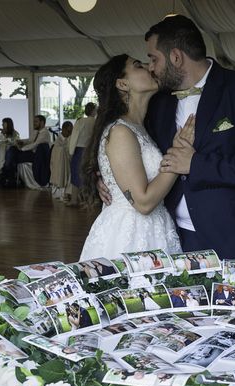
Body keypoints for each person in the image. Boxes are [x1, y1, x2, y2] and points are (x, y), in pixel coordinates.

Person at [98, 15, 235, 260]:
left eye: (153, 59)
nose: (151, 67)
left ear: (176, 57)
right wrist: (105, 176)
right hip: (176, 237)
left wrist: (195, 164)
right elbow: (129, 146)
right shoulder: (158, 101)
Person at [78, 55, 187, 260]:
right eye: (138, 66)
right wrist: (179, 154)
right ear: (122, 83)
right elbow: (143, 203)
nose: (148, 67)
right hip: (129, 235)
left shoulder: (141, 126)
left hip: (158, 227)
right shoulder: (120, 131)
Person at [1, 115, 51, 187]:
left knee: (12, 154)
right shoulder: (36, 132)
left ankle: (6, 175)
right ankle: (10, 178)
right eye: (34, 121)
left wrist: (21, 149)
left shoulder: (45, 133)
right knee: (12, 151)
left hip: (36, 155)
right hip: (31, 152)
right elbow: (30, 140)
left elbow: (34, 144)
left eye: (36, 122)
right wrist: (22, 142)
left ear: (42, 122)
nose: (34, 123)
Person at [67, 102, 96, 206]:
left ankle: (74, 200)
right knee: (89, 175)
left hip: (79, 150)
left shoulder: (81, 121)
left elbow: (74, 137)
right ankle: (89, 200)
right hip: (91, 150)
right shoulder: (96, 122)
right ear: (93, 111)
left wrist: (71, 152)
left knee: (76, 174)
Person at [50, 121, 73, 200]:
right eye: (68, 131)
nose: (69, 133)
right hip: (59, 164)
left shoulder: (70, 139)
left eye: (71, 131)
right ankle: (59, 193)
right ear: (63, 129)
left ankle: (67, 193)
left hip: (67, 164)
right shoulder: (57, 141)